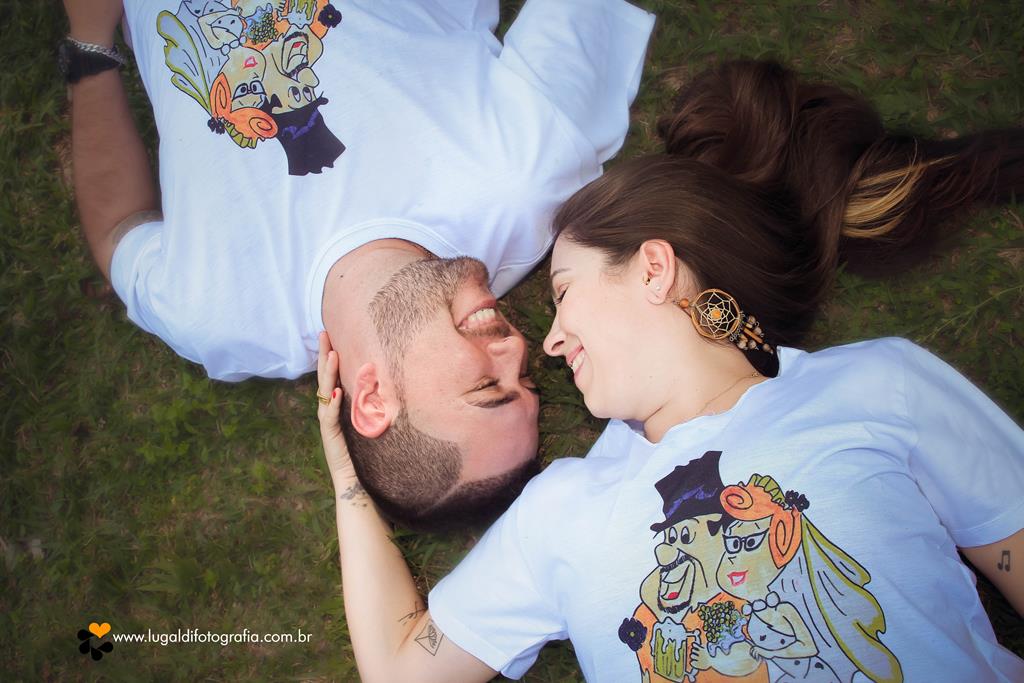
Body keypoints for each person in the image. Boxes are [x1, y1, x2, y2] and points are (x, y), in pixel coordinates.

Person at [316, 60, 1024, 682]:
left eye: (563, 293)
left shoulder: (879, 385)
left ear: (654, 268)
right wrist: (348, 469)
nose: (551, 342)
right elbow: (401, 667)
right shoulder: (555, 516)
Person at [61, 0, 655, 528]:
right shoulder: (525, 179)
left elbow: (119, 231)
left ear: (372, 398)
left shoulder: (219, 317)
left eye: (487, 387)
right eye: (524, 381)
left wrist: (89, 43)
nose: (521, 350)